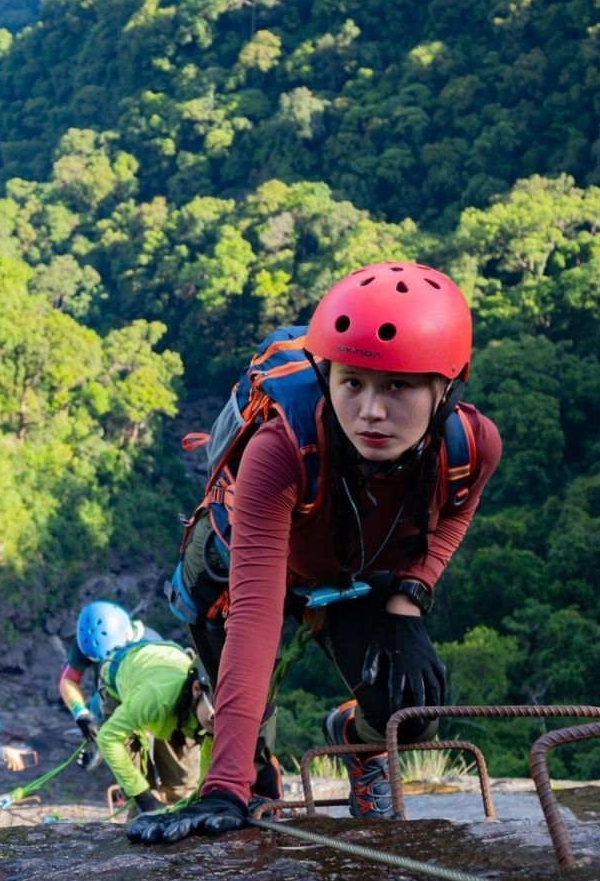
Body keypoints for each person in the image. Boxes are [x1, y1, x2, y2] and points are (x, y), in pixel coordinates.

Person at [131, 262, 502, 843]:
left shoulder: (471, 445)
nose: (371, 411)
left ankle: (354, 739)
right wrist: (226, 786)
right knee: (248, 767)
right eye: (352, 382)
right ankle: (250, 787)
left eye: (398, 387)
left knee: (413, 709)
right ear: (326, 376)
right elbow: (255, 615)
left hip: (347, 568)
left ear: (445, 390)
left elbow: (454, 514)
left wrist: (411, 596)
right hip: (238, 576)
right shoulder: (280, 451)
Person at [95, 640, 212, 813]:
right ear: (196, 690)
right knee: (138, 786)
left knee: (184, 786)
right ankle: (139, 817)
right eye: (214, 717)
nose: (218, 725)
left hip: (178, 701)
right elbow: (108, 738)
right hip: (126, 674)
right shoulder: (155, 698)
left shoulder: (211, 710)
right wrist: (143, 796)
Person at [58, 601, 157, 760]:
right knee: (98, 703)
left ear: (126, 638)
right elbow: (68, 680)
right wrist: (81, 714)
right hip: (107, 704)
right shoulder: (89, 639)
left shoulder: (151, 647)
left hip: (148, 706)